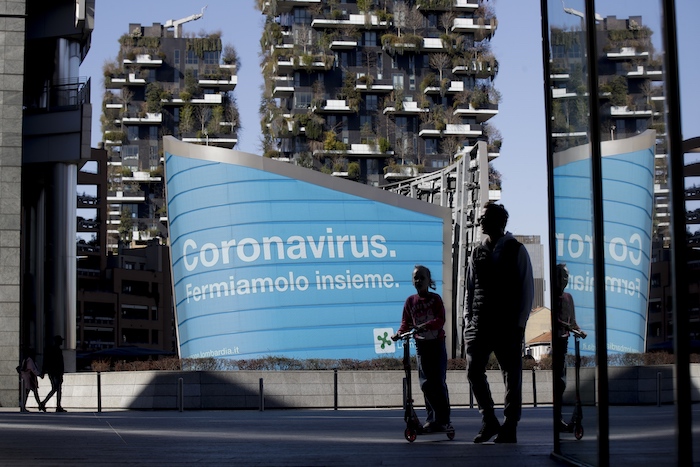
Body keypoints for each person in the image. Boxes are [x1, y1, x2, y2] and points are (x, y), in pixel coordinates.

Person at [464, 202, 534, 443]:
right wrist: (467, 318)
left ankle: (510, 425)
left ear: (498, 221)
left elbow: (527, 289)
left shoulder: (517, 250)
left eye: (484, 217)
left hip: (507, 325)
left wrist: (520, 323)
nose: (480, 221)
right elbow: (469, 288)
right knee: (473, 371)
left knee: (512, 376)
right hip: (479, 324)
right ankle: (490, 421)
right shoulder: (476, 252)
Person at [391, 265, 451, 432]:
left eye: (422, 278)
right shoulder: (410, 301)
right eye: (415, 278)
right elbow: (406, 322)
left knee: (438, 382)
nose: (418, 281)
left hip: (437, 344)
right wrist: (399, 333)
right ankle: (432, 419)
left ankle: (443, 419)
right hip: (421, 345)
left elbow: (440, 320)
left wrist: (425, 325)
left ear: (429, 280)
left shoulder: (436, 299)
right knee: (426, 384)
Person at [553, 263, 586, 432]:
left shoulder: (568, 298)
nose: (565, 280)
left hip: (565, 342)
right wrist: (569, 327)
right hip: (557, 342)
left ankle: (559, 418)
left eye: (566, 277)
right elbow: (556, 320)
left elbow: (572, 320)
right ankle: (557, 418)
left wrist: (578, 330)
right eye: (562, 276)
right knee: (560, 382)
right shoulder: (554, 297)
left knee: (562, 382)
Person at [40, 335, 67, 413]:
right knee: (57, 389)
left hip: (52, 372)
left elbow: (45, 362)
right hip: (56, 373)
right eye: (61, 340)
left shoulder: (51, 350)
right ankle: (55, 405)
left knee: (56, 389)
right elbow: (59, 363)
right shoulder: (56, 350)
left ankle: (47, 403)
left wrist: (43, 371)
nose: (62, 342)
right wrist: (61, 372)